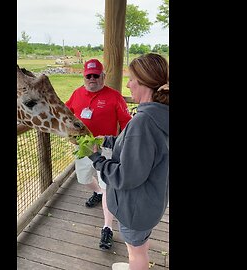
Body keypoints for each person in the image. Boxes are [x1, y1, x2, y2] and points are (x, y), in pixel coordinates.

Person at [88, 53, 169, 270]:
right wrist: (106, 140)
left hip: (136, 208)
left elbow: (126, 176)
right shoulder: (160, 115)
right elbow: (136, 148)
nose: (128, 84)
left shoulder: (143, 122)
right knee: (140, 244)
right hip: (149, 203)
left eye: (132, 79)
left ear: (144, 82)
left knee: (136, 252)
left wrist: (96, 159)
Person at [65, 58, 132, 250]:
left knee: (107, 186)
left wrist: (123, 143)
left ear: (103, 76)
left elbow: (127, 122)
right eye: (89, 76)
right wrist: (69, 133)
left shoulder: (115, 96)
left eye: (96, 75)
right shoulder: (77, 93)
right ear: (84, 76)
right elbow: (66, 114)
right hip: (84, 148)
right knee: (83, 179)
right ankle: (98, 192)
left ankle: (107, 228)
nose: (92, 79)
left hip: (107, 148)